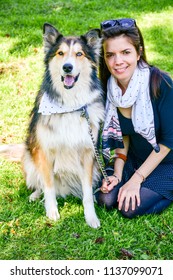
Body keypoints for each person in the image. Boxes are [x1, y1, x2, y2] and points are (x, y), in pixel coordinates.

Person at [95, 18, 173, 218]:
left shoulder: (160, 83)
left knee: (128, 208)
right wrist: (117, 174)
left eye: (125, 52)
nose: (117, 62)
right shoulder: (110, 89)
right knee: (106, 199)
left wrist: (137, 179)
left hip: (167, 161)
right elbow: (124, 136)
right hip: (136, 157)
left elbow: (168, 141)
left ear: (138, 53)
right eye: (110, 55)